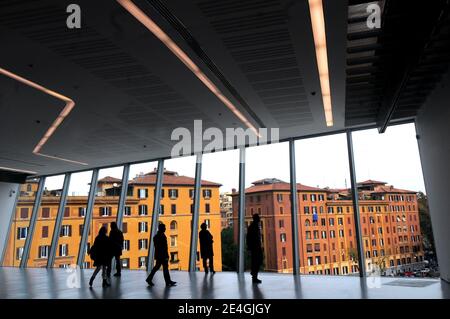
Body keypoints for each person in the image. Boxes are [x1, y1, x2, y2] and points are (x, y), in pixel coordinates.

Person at [247, 214, 263, 284]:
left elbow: (248, 238)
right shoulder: (254, 227)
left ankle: (254, 274)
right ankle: (254, 275)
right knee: (257, 261)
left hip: (255, 247)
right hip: (255, 247)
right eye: (258, 218)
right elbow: (249, 238)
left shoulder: (253, 226)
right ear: (256, 219)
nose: (260, 219)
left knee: (256, 261)